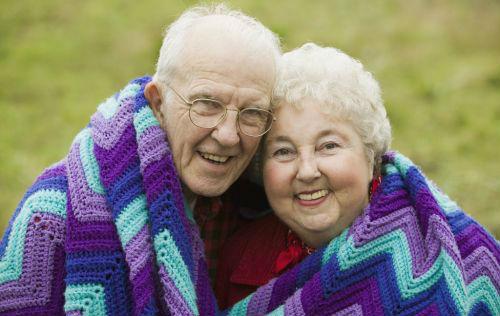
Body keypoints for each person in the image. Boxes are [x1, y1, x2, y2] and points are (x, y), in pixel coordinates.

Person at [0, 4, 279, 315]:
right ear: (158, 102)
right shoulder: (52, 214)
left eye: (252, 113)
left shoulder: (265, 202)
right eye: (206, 104)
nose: (229, 135)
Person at [216, 43, 500, 314]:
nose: (306, 171)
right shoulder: (236, 256)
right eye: (283, 151)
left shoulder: (453, 251)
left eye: (328, 146)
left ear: (370, 154)